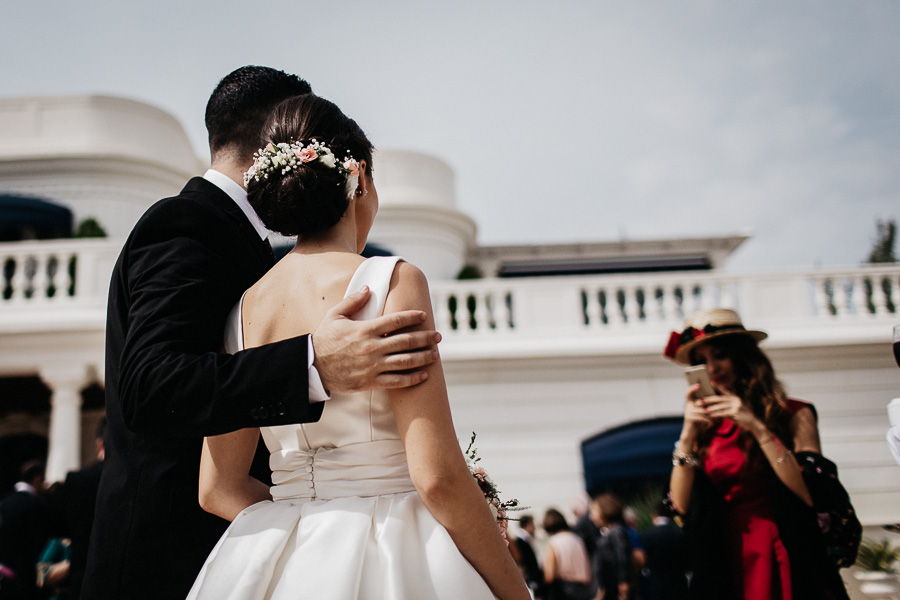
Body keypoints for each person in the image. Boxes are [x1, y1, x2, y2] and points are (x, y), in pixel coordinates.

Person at [84, 67, 440, 600]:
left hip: (254, 550)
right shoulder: (187, 222)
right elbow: (149, 385)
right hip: (165, 561)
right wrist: (313, 364)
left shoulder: (248, 243)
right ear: (282, 139)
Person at [186, 94, 529, 599]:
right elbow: (436, 477)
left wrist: (304, 522)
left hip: (275, 563)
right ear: (359, 178)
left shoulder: (242, 310)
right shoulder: (392, 281)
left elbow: (218, 490)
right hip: (396, 553)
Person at [664, 308, 849, 599]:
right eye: (701, 361)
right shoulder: (705, 429)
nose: (711, 368)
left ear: (744, 357)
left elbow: (809, 492)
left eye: (720, 355)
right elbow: (680, 506)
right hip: (722, 554)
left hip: (783, 544)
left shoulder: (793, 413)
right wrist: (687, 437)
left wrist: (757, 428)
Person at [0, 461, 49, 600]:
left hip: (6, 571)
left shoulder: (5, 502)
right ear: (37, 479)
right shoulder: (36, 503)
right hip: (28, 572)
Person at [638, 502, 687, 600]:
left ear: (653, 514)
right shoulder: (680, 532)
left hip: (655, 584)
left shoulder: (645, 534)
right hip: (679, 582)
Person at [589, 494, 634, 600]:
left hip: (616, 589)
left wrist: (624, 584)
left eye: (594, 512)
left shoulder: (617, 531)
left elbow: (623, 557)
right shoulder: (608, 532)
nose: (591, 517)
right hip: (610, 587)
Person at [541, 508, 593, 600]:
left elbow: (550, 575)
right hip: (584, 589)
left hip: (564, 591)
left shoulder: (553, 542)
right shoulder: (577, 539)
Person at [515, 514, 545, 599]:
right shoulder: (521, 541)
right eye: (533, 525)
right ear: (528, 525)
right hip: (531, 580)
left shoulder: (526, 539)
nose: (535, 528)